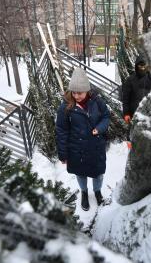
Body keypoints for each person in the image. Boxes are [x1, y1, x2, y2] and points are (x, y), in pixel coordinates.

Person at [55, 67, 110, 211]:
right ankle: (84, 193)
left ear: (87, 90)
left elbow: (106, 116)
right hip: (77, 149)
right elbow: (61, 130)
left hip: (95, 146)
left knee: (98, 173)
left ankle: (97, 192)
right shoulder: (65, 107)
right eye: (74, 92)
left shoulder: (97, 101)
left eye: (79, 92)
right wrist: (63, 154)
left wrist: (100, 128)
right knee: (81, 173)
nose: (76, 95)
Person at [122, 54, 151, 124]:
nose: (142, 68)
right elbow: (125, 99)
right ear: (136, 66)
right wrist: (126, 114)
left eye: (144, 65)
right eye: (140, 65)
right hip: (134, 115)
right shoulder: (130, 80)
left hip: (149, 116)